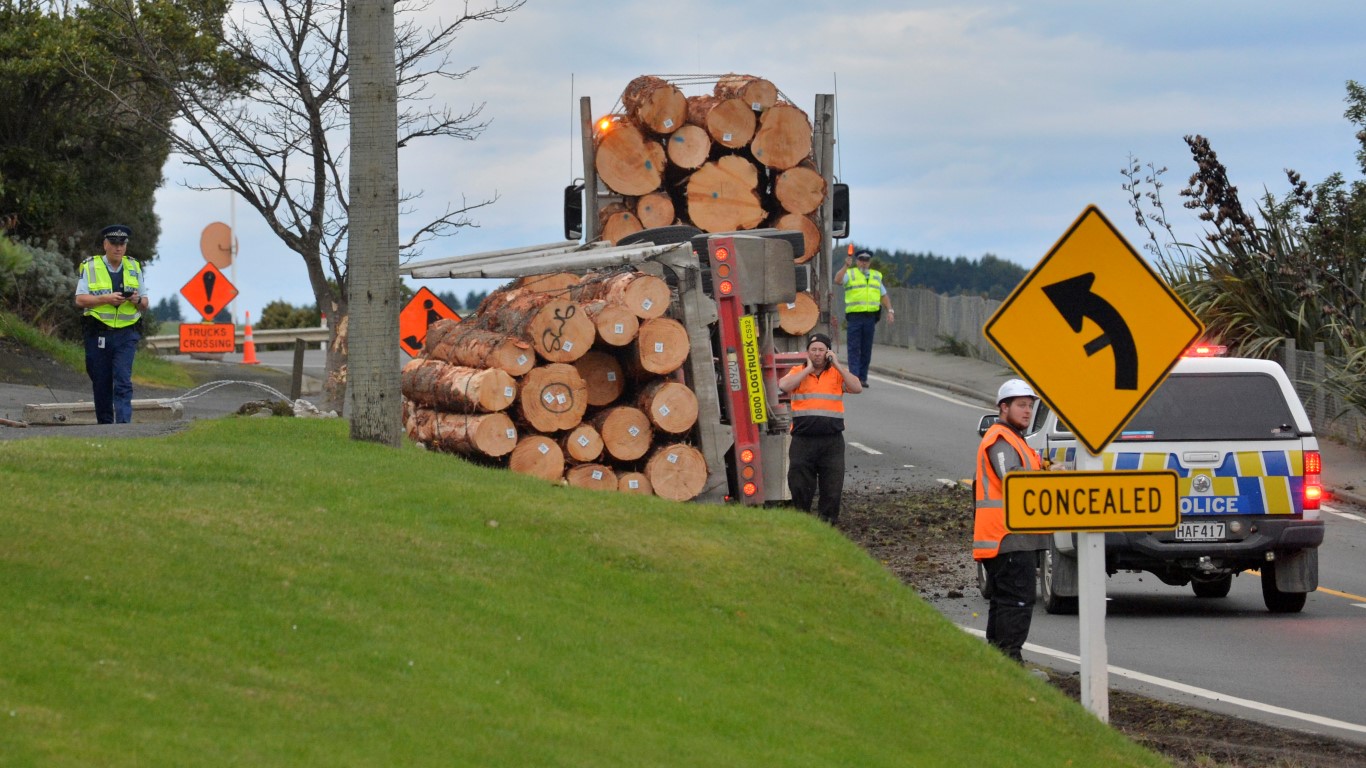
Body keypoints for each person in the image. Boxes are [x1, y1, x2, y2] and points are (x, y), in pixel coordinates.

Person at [973, 378, 1047, 663]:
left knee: (1005, 602)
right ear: (1004, 408)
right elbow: (1014, 479)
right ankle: (1010, 661)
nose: (1028, 412)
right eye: (1021, 406)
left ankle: (998, 663)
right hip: (1005, 537)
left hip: (1013, 538)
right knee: (1016, 602)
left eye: (1030, 406)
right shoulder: (1000, 439)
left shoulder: (1016, 439)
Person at [778, 332, 862, 524]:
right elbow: (784, 385)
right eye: (813, 350)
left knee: (832, 486)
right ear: (807, 352)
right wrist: (806, 370)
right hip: (803, 439)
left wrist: (839, 366)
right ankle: (802, 521)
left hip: (831, 441)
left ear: (828, 352)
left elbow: (857, 387)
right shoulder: (798, 371)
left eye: (821, 350)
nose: (817, 354)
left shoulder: (836, 374)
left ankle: (828, 523)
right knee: (799, 484)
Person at [74, 224, 147, 424]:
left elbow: (145, 303)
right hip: (99, 332)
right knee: (101, 382)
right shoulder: (90, 266)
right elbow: (80, 300)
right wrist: (105, 299)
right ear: (105, 244)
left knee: (123, 381)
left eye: (122, 244)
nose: (118, 248)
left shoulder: (134, 266)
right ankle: (106, 426)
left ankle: (124, 426)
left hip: (126, 334)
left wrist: (136, 301)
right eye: (114, 243)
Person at [835, 249, 893, 388]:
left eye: (866, 260)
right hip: (855, 317)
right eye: (861, 259)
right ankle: (854, 378)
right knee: (854, 348)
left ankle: (863, 377)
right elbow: (837, 280)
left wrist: (890, 310)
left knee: (866, 348)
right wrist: (845, 266)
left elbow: (883, 295)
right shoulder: (850, 273)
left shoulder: (875, 276)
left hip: (870, 317)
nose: (864, 262)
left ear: (869, 262)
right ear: (857, 261)